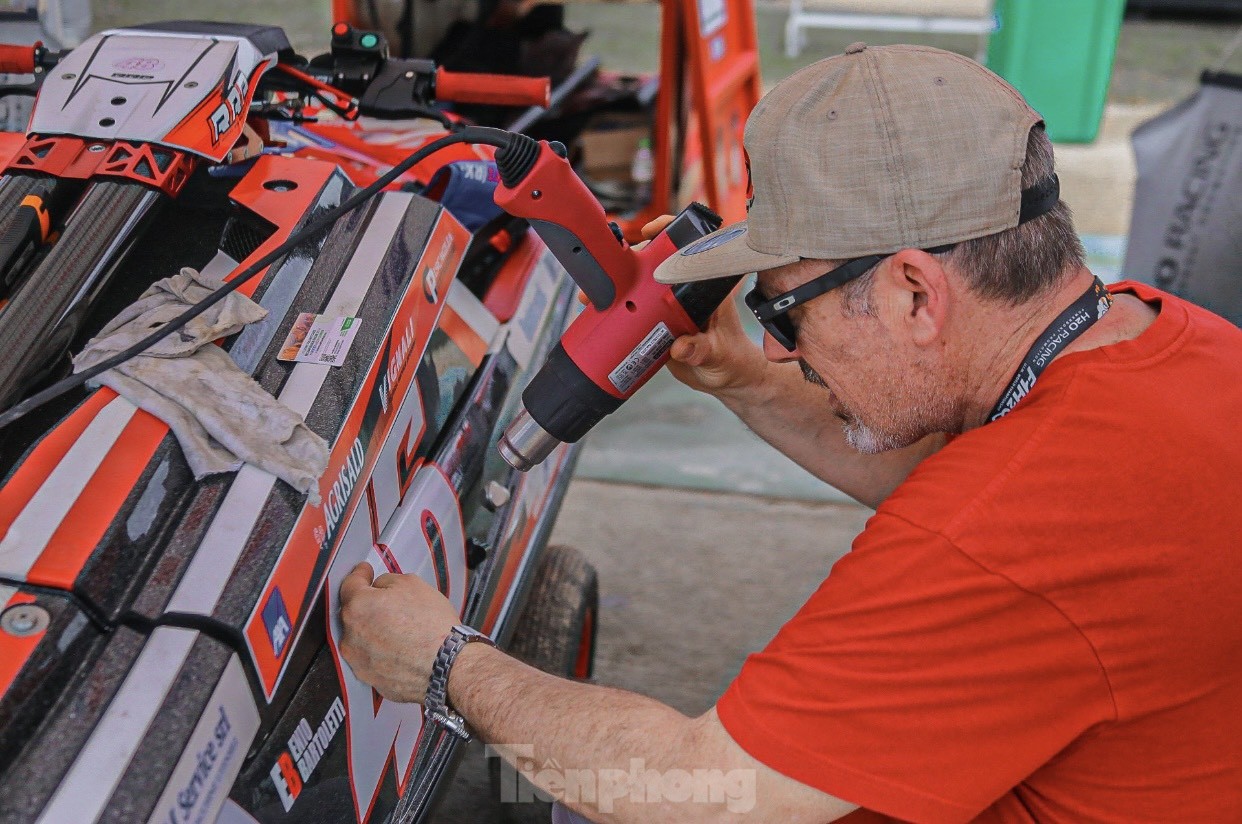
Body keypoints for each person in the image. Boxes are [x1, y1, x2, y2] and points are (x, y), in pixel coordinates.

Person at [338, 43, 1242, 822]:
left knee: (595, 789)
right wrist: (742, 381)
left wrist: (448, 663)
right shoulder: (1176, 346)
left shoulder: (993, 535)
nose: (781, 352)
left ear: (916, 294)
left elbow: (708, 795)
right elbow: (986, 484)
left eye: (784, 312)